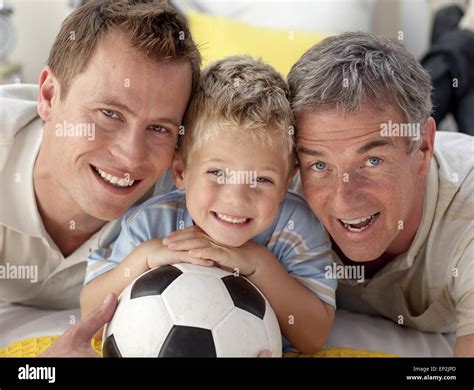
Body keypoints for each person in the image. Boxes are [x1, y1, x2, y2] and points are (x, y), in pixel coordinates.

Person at [80, 56, 336, 354]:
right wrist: (144, 258)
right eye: (217, 173)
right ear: (181, 172)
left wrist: (258, 264)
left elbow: (314, 337)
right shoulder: (152, 224)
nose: (237, 199)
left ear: (287, 182)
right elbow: (90, 316)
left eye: (262, 180)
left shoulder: (296, 228)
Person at [0, 0, 200, 309]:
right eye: (109, 113)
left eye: (159, 128)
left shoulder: (189, 185)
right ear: (49, 95)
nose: (132, 156)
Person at [288, 32, 474, 356]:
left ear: (425, 146)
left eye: (372, 161)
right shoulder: (273, 190)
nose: (343, 199)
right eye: (319, 164)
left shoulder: (466, 219)